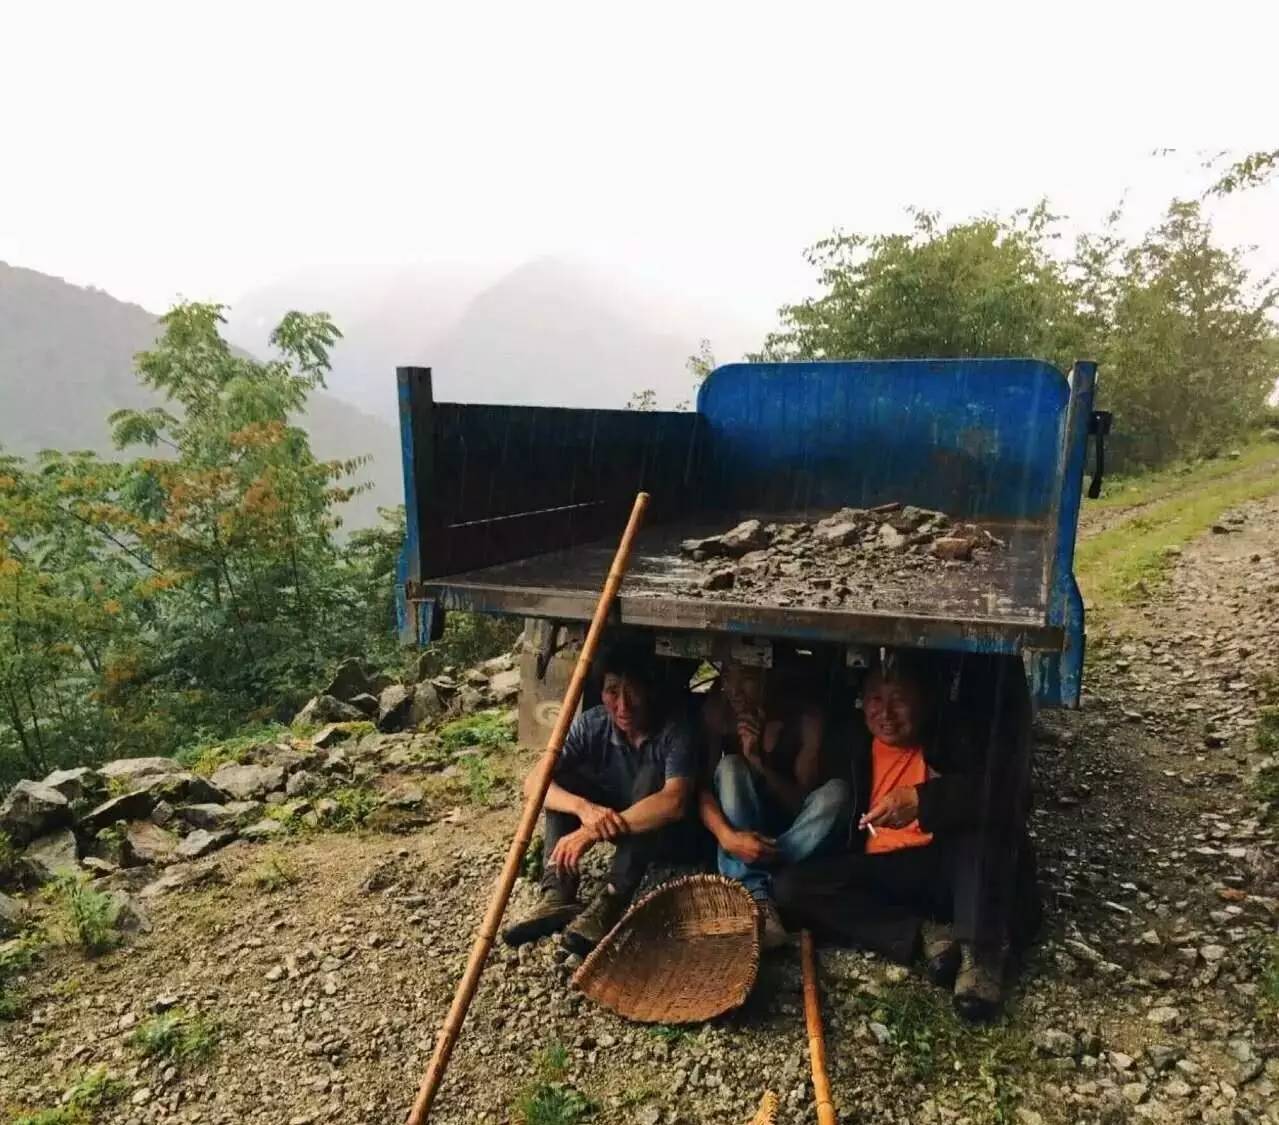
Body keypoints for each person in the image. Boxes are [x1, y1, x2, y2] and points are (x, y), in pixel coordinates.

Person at [772, 652, 1040, 1021]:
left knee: (980, 826)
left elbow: (1013, 795)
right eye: (875, 700)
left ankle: (980, 955)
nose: (886, 713)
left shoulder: (952, 737)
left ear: (925, 701)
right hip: (887, 871)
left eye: (899, 699)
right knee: (791, 888)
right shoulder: (851, 745)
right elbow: (808, 798)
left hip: (949, 867)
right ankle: (923, 936)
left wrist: (923, 800)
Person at [502, 645, 696, 955]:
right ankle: (558, 892)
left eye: (633, 692)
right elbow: (534, 783)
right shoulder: (592, 724)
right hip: (614, 818)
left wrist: (592, 830)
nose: (623, 705)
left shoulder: (674, 729)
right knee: (562, 783)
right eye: (612, 692)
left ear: (651, 691)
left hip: (667, 836)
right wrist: (584, 809)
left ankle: (611, 898)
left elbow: (675, 801)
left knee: (650, 779)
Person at [697, 660, 852, 950]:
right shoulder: (717, 712)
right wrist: (727, 838)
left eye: (748, 679)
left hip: (790, 836)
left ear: (772, 677)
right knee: (730, 767)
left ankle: (755, 885)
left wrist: (757, 761)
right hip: (741, 832)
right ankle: (761, 891)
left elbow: (801, 805)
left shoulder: (805, 719)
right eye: (728, 677)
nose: (735, 690)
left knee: (837, 794)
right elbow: (698, 791)